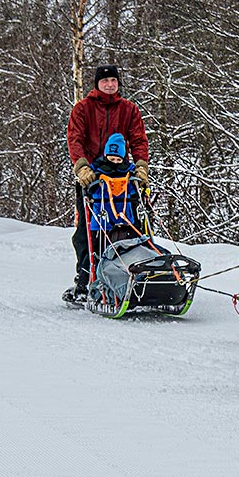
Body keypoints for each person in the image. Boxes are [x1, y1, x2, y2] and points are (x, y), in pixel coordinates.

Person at [63, 65, 150, 304]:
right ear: (97, 84)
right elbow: (75, 138)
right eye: (105, 81)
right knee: (87, 233)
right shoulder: (83, 109)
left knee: (133, 227)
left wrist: (141, 165)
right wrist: (82, 166)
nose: (110, 84)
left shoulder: (129, 109)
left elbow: (139, 139)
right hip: (93, 180)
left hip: (123, 179)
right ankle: (85, 281)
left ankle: (135, 277)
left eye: (114, 80)